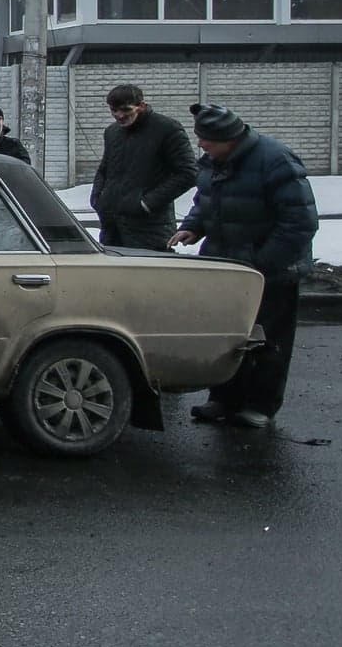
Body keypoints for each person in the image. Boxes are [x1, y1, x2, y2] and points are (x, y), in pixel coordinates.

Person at [172, 103, 318, 429]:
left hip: (271, 273)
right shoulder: (214, 161)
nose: (200, 145)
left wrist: (261, 264)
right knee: (227, 335)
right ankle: (223, 398)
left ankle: (261, 404)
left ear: (229, 139)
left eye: (206, 139)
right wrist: (193, 226)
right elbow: (206, 200)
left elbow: (300, 223)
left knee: (268, 339)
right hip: (227, 267)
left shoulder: (276, 160)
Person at [89, 82, 197, 249]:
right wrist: (98, 198)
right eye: (113, 110)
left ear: (141, 106)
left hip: (150, 229)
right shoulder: (112, 132)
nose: (119, 116)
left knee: (150, 274)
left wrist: (146, 203)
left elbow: (188, 173)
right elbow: (105, 169)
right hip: (112, 227)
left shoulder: (167, 129)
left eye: (126, 110)